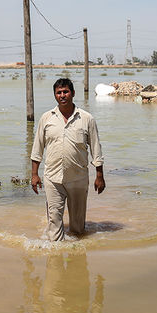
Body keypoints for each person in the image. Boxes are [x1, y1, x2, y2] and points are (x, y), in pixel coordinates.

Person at [31, 78, 105, 241]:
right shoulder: (46, 118)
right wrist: (34, 174)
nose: (62, 95)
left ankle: (77, 260)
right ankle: (54, 260)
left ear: (72, 93)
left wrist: (100, 176)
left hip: (78, 178)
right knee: (54, 224)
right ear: (55, 95)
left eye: (65, 91)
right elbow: (37, 148)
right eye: (59, 92)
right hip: (53, 179)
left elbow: (96, 149)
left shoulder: (86, 119)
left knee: (78, 229)